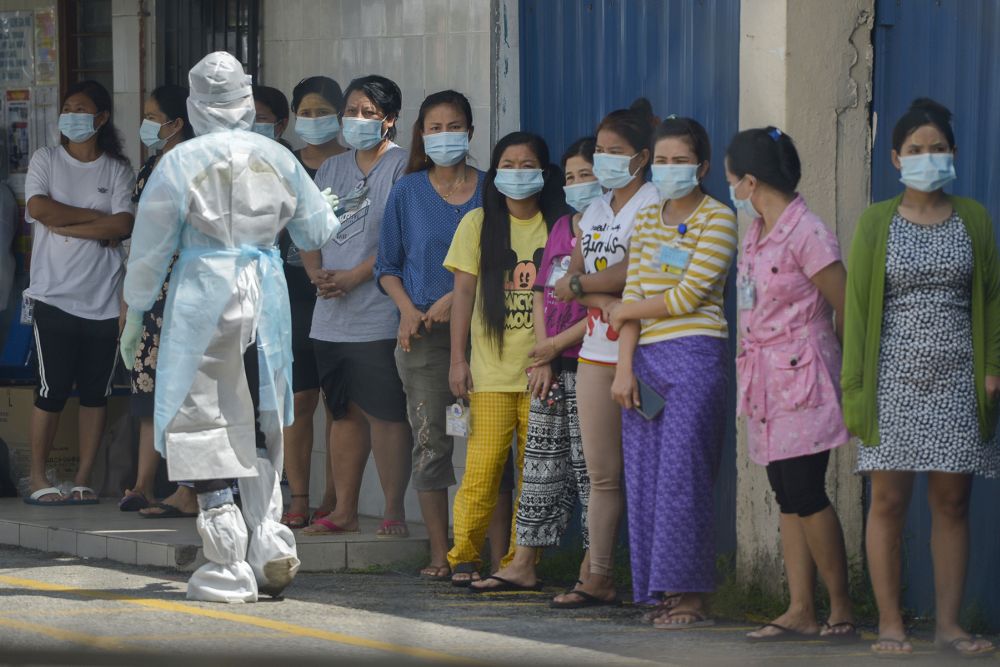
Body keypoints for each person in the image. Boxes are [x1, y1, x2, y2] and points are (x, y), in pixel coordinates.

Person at [120, 52, 340, 603]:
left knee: (203, 416)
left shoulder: (179, 162)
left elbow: (150, 248)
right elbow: (317, 231)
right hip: (265, 293)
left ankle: (226, 565)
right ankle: (269, 544)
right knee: (265, 412)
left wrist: (136, 309)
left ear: (194, 106)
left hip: (202, 295)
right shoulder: (279, 156)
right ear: (246, 102)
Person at [843, 98, 999, 658]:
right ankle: (890, 623)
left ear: (952, 156)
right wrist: (855, 390)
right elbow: (857, 311)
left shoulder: (974, 218)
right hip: (892, 380)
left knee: (952, 503)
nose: (926, 158)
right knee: (887, 501)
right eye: (915, 150)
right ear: (895, 159)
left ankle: (950, 626)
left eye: (937, 149)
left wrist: (991, 370)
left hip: (959, 378)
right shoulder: (875, 221)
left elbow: (991, 300)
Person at [726, 127, 856, 642]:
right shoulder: (757, 232)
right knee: (784, 491)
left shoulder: (809, 232)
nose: (733, 189)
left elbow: (846, 302)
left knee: (806, 488)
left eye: (735, 181)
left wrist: (851, 372)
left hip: (805, 379)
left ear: (752, 181)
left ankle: (841, 608)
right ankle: (800, 607)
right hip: (765, 380)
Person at [607, 116, 737, 628]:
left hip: (695, 357)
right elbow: (634, 292)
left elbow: (687, 297)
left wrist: (623, 312)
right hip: (643, 363)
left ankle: (692, 596)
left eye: (680, 161)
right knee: (645, 480)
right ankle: (661, 589)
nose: (669, 169)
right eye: (661, 161)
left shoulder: (718, 218)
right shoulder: (645, 220)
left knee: (683, 478)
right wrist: (623, 370)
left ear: (702, 166)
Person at [470, 137, 595, 592]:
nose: (580, 184)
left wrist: (554, 347)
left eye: (590, 176)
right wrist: (545, 354)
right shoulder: (563, 226)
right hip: (553, 362)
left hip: (589, 361)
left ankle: (593, 569)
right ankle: (523, 563)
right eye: (574, 176)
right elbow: (544, 293)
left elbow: (607, 302)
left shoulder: (613, 230)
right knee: (541, 467)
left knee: (587, 471)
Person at [444, 131, 566, 585]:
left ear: (544, 172)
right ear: (494, 175)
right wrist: (459, 360)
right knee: (482, 469)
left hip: (542, 372)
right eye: (507, 166)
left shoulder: (561, 226)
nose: (518, 173)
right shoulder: (477, 224)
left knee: (531, 477)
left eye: (527, 164)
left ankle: (518, 561)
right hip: (491, 375)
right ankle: (464, 556)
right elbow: (462, 295)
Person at [550, 109, 659, 608]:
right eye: (600, 150)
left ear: (642, 157)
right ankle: (597, 576)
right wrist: (598, 295)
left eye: (614, 151)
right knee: (602, 475)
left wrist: (586, 286)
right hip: (595, 352)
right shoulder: (594, 212)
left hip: (648, 353)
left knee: (654, 471)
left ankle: (661, 579)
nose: (604, 159)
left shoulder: (656, 204)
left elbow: (635, 275)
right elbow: (567, 280)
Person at [375, 90, 486, 579]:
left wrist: (457, 299)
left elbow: (502, 262)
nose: (445, 135)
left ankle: (485, 551)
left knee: (485, 443)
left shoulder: (492, 190)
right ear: (421, 133)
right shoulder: (407, 191)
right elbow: (388, 266)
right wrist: (405, 309)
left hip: (487, 335)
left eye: (454, 125)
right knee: (433, 441)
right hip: (422, 339)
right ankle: (441, 553)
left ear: (470, 132)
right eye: (435, 127)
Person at [301, 75, 412, 538]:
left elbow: (398, 239)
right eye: (352, 111)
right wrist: (316, 273)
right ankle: (343, 510)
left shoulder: (404, 167)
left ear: (389, 120)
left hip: (379, 313)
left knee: (385, 414)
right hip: (330, 315)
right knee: (342, 413)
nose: (357, 120)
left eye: (369, 112)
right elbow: (307, 227)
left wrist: (353, 276)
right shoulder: (331, 169)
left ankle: (392, 511)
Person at [23, 80, 135, 505]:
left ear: (101, 118)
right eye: (67, 107)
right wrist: (96, 222)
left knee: (95, 394)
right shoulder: (46, 159)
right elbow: (38, 209)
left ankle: (85, 477)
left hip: (104, 300)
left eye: (81, 108)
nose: (71, 114)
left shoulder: (116, 168)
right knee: (50, 392)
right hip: (53, 296)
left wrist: (70, 225)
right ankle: (37, 477)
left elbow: (122, 225)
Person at [116, 84, 199, 519]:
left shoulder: (195, 166)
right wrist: (130, 299)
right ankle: (143, 483)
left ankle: (187, 486)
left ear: (177, 122)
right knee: (147, 389)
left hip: (188, 291)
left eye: (154, 116)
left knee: (188, 390)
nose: (147, 124)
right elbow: (140, 238)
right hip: (151, 292)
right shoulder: (150, 168)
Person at [274, 76, 347, 530]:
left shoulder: (353, 167)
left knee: (341, 404)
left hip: (345, 292)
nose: (314, 120)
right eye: (307, 112)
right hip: (292, 293)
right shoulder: (283, 165)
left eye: (324, 112)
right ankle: (297, 497)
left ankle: (333, 499)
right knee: (299, 400)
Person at [251, 85, 291, 149]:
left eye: (260, 118)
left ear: (283, 124)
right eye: (247, 118)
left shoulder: (290, 158)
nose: (251, 124)